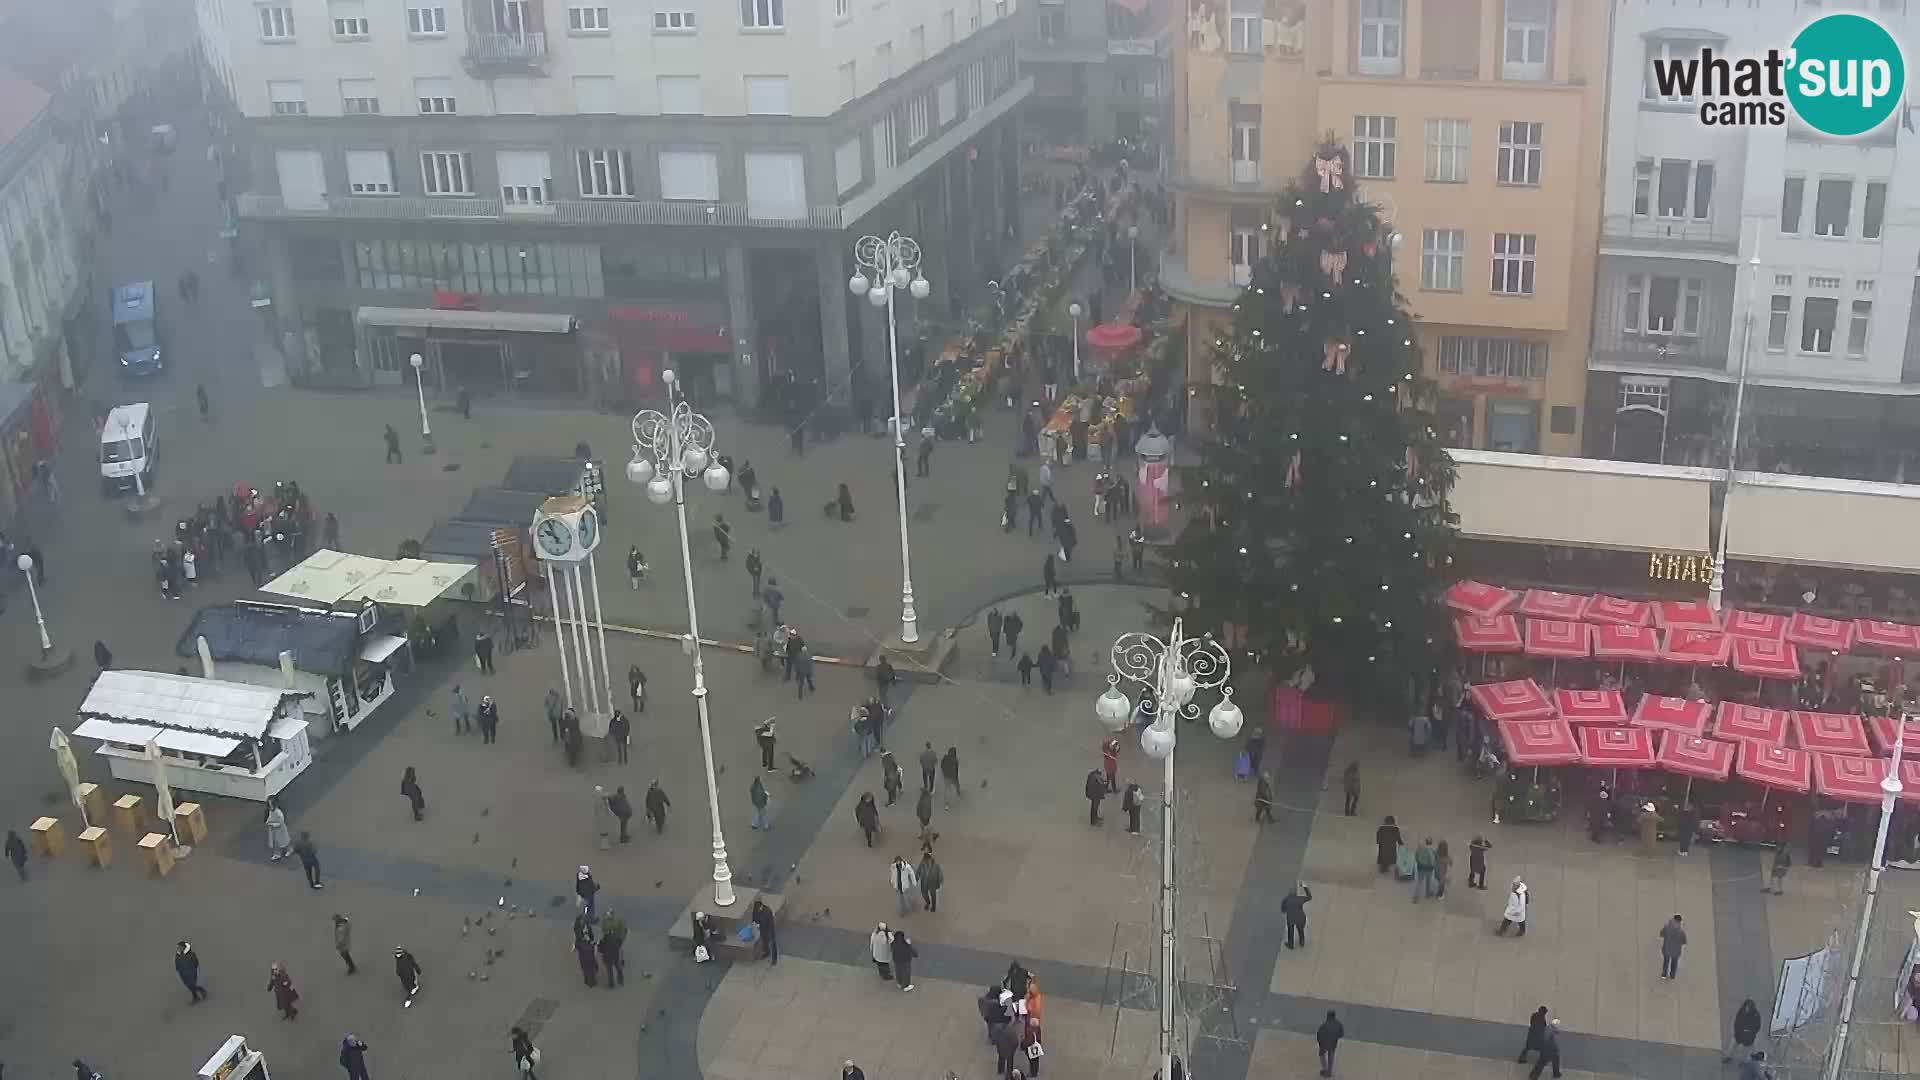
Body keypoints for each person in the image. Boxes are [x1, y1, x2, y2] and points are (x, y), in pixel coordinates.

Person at [1725, 997, 1763, 1062]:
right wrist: (1738, 1031)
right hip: (1739, 1034)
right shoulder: (1741, 1012)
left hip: (1749, 1036)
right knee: (1732, 1046)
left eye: (1749, 1007)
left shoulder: (1756, 1015)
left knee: (1745, 1050)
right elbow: (1737, 1022)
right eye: (1746, 1007)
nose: (1747, 1008)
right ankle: (1728, 1057)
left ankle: (1745, 1061)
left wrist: (1750, 1032)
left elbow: (1757, 1026)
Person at [598, 909, 628, 986]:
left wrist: (620, 939)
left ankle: (617, 981)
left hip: (613, 948)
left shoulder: (618, 921)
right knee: (614, 966)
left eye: (609, 914)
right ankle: (616, 981)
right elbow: (603, 929)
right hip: (613, 948)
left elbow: (623, 931)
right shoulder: (606, 921)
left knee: (614, 966)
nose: (608, 915)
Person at [1281, 883, 1313, 949]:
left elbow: (1283, 910)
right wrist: (1305, 887)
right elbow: (1309, 897)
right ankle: (1302, 942)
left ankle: (1290, 944)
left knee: (1290, 931)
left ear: (1288, 893)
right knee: (1300, 930)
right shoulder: (1299, 899)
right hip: (1300, 918)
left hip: (1291, 918)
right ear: (1296, 893)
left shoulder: (1286, 900)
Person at [1315, 1010, 1344, 1077]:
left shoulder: (1324, 1025)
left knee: (1321, 1055)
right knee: (1331, 1056)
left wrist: (1320, 1043)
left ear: (1328, 1016)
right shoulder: (1339, 1024)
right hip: (1333, 1043)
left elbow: (1319, 1034)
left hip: (1324, 1044)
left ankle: (1325, 1069)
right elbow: (1341, 1034)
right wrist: (1336, 1037)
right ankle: (1329, 1072)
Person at [1659, 914, 1687, 979]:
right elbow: (1684, 941)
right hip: (1676, 950)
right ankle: (1672, 975)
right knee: (1674, 963)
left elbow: (1661, 934)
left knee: (1666, 962)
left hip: (1667, 948)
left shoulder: (1666, 927)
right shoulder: (1681, 931)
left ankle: (1664, 975)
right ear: (1680, 921)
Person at [752, 897, 778, 964]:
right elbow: (754, 917)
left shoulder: (767, 911)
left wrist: (758, 924)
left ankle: (774, 959)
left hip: (769, 928)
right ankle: (766, 952)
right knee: (764, 941)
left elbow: (765, 921)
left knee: (772, 942)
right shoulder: (756, 909)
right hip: (762, 928)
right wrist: (755, 922)